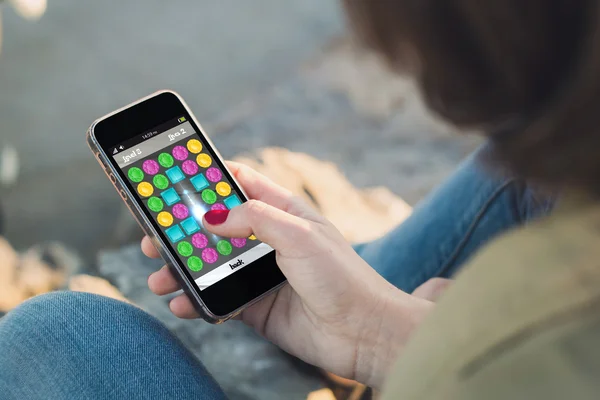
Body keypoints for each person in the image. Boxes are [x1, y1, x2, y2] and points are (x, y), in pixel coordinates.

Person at [1, 1, 598, 399]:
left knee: (55, 331)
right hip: (406, 339)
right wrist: (383, 334)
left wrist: (436, 352)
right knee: (521, 169)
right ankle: (357, 287)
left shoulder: (512, 361)